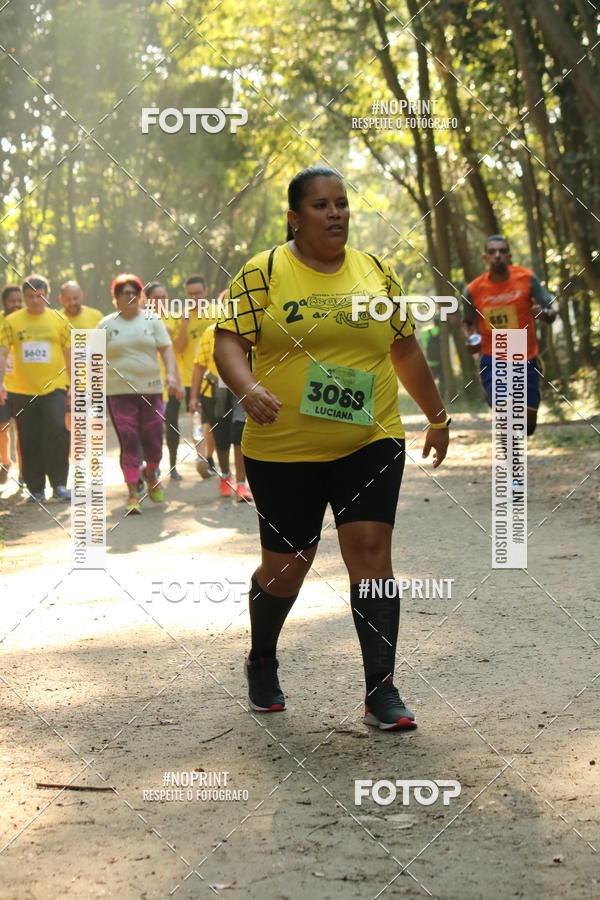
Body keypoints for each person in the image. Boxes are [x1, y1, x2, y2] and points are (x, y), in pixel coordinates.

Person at [214, 166, 450, 731]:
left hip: (369, 438)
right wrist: (248, 389)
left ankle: (380, 690)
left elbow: (406, 349)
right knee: (287, 567)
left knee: (370, 552)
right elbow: (227, 342)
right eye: (321, 206)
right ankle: (262, 657)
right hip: (283, 446)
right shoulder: (264, 272)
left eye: (341, 203)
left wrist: (437, 415)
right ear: (294, 218)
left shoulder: (375, 273)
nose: (335, 213)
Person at [98, 274, 182, 515]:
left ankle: (151, 474)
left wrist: (172, 377)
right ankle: (133, 493)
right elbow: (93, 358)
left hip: (151, 389)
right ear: (116, 298)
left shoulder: (152, 320)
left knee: (155, 438)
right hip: (119, 393)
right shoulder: (106, 324)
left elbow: (166, 351)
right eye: (125, 293)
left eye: (135, 292)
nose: (131, 297)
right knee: (129, 439)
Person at [463, 235, 556, 435]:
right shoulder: (473, 289)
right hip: (493, 355)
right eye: (492, 252)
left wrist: (544, 314)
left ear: (509, 255)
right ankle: (509, 454)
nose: (497, 256)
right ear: (485, 257)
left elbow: (551, 311)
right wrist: (470, 339)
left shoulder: (527, 279)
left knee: (528, 424)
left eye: (502, 251)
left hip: (525, 355)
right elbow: (468, 322)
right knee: (506, 411)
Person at [0, 275, 71, 502]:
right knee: (29, 437)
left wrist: (76, 385)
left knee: (56, 429)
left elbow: (69, 354)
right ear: (24, 297)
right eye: (30, 297)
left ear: (47, 296)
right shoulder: (12, 322)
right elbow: (2, 353)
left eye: (39, 296)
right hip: (21, 390)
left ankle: (59, 484)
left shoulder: (58, 320)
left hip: (55, 388)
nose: (35, 301)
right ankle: (36, 488)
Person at [189, 322, 252, 501]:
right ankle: (225, 477)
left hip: (242, 390)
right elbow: (199, 365)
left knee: (240, 433)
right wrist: (193, 398)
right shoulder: (211, 332)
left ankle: (241, 484)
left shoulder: (250, 329)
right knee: (221, 438)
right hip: (215, 392)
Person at [172, 275, 217, 477]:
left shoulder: (218, 312)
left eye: (198, 293)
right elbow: (177, 348)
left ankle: (210, 456)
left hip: (216, 375)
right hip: (192, 376)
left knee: (214, 420)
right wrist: (183, 325)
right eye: (190, 294)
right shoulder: (182, 317)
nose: (194, 297)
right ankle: (201, 458)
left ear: (205, 291)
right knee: (197, 419)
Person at [145, 281, 185, 480]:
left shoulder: (174, 318)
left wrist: (177, 381)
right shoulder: (142, 320)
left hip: (170, 379)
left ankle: (173, 466)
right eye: (156, 298)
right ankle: (154, 465)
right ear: (147, 300)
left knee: (172, 423)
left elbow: (176, 350)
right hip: (148, 381)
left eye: (164, 297)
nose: (161, 301)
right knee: (153, 427)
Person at [58, 281, 103, 432]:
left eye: (76, 298)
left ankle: (91, 454)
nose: (72, 302)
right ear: (61, 299)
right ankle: (73, 455)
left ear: (82, 296)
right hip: (66, 381)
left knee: (94, 421)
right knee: (72, 423)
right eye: (68, 299)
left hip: (93, 380)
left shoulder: (96, 316)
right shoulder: (56, 318)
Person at [0, 285, 23, 486]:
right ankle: (6, 463)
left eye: (19, 301)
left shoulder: (27, 321)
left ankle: (24, 473)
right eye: (11, 301)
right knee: (2, 428)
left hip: (24, 385)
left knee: (22, 430)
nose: (15, 305)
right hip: (3, 385)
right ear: (4, 303)